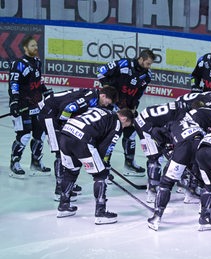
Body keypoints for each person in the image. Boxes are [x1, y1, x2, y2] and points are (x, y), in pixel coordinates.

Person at [56, 108, 135, 224]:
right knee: (101, 175)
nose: (123, 128)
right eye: (125, 125)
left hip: (66, 135)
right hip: (81, 140)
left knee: (71, 171)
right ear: (123, 118)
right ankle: (101, 212)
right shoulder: (117, 123)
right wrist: (105, 165)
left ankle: (63, 206)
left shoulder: (102, 110)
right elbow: (107, 146)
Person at [38, 87, 119, 201]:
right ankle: (60, 188)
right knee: (60, 152)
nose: (106, 105)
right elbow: (67, 108)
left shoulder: (96, 98)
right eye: (107, 102)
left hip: (56, 113)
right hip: (49, 114)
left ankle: (66, 184)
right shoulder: (90, 98)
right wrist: (64, 125)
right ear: (103, 96)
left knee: (66, 149)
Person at [97, 49, 155, 176]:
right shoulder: (124, 64)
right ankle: (103, 166)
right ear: (141, 59)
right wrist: (108, 91)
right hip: (111, 105)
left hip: (126, 107)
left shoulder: (147, 76)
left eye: (150, 64)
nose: (149, 66)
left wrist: (133, 107)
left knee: (132, 132)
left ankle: (129, 164)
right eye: (148, 63)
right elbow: (100, 72)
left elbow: (138, 93)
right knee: (110, 135)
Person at [147, 119, 205, 231]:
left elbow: (155, 132)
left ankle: (157, 217)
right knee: (206, 181)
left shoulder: (171, 123)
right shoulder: (197, 124)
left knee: (166, 183)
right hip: (200, 146)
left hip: (183, 148)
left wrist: (165, 147)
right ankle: (206, 214)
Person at [8, 34, 53, 178]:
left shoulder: (37, 62)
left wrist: (45, 91)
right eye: (33, 45)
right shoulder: (19, 64)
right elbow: (13, 84)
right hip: (23, 105)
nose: (36, 47)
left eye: (36, 45)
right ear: (25, 48)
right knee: (24, 135)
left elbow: (38, 81)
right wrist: (14, 102)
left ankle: (36, 161)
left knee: (40, 134)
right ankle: (14, 163)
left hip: (37, 104)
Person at [133, 101, 190, 203]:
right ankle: (152, 190)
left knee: (176, 152)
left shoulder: (182, 108)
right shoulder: (184, 116)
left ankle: (180, 182)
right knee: (155, 158)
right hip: (144, 126)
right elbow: (159, 132)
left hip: (153, 122)